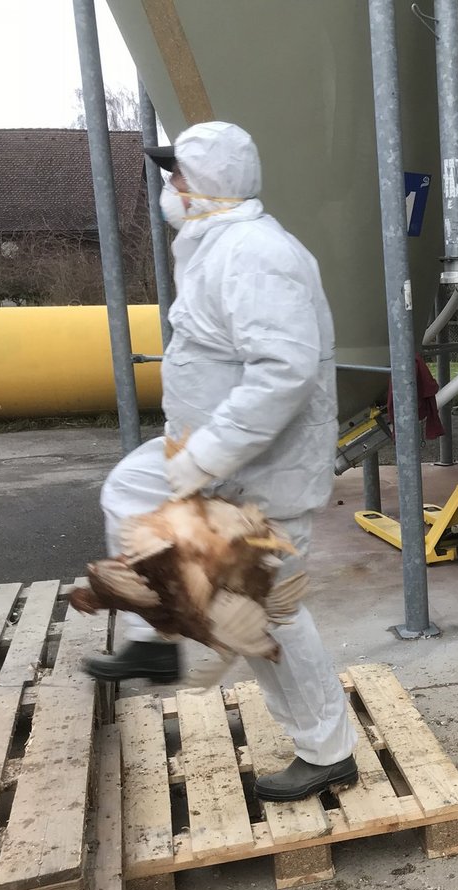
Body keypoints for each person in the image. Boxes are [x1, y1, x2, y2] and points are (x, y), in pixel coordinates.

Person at [83, 120, 357, 803]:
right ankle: (177, 632)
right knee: (129, 492)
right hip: (215, 460)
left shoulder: (254, 254)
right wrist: (196, 453)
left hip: (262, 472)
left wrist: (207, 453)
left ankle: (326, 751)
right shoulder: (216, 245)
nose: (169, 188)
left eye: (178, 176)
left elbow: (284, 371)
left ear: (207, 186)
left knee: (274, 611)